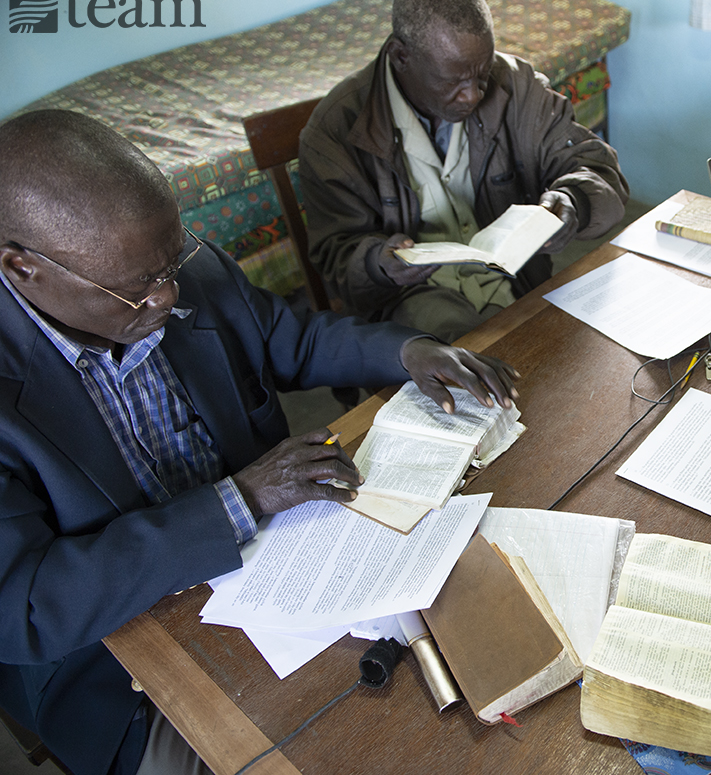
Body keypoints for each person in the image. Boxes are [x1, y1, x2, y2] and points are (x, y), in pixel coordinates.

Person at [0, 109, 520, 775]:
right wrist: (239, 499)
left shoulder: (180, 271)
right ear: (22, 269)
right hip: (122, 664)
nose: (167, 295)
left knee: (450, 675)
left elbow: (293, 340)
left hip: (279, 571)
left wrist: (411, 349)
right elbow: (26, 605)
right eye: (134, 289)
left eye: (172, 257)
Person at [298, 0, 629, 343]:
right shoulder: (335, 130)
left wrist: (575, 201)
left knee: (599, 348)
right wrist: (378, 261)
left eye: (482, 73)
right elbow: (335, 258)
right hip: (411, 299)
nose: (472, 95)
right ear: (401, 56)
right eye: (453, 81)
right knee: (474, 366)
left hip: (517, 281)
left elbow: (597, 168)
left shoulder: (516, 86)